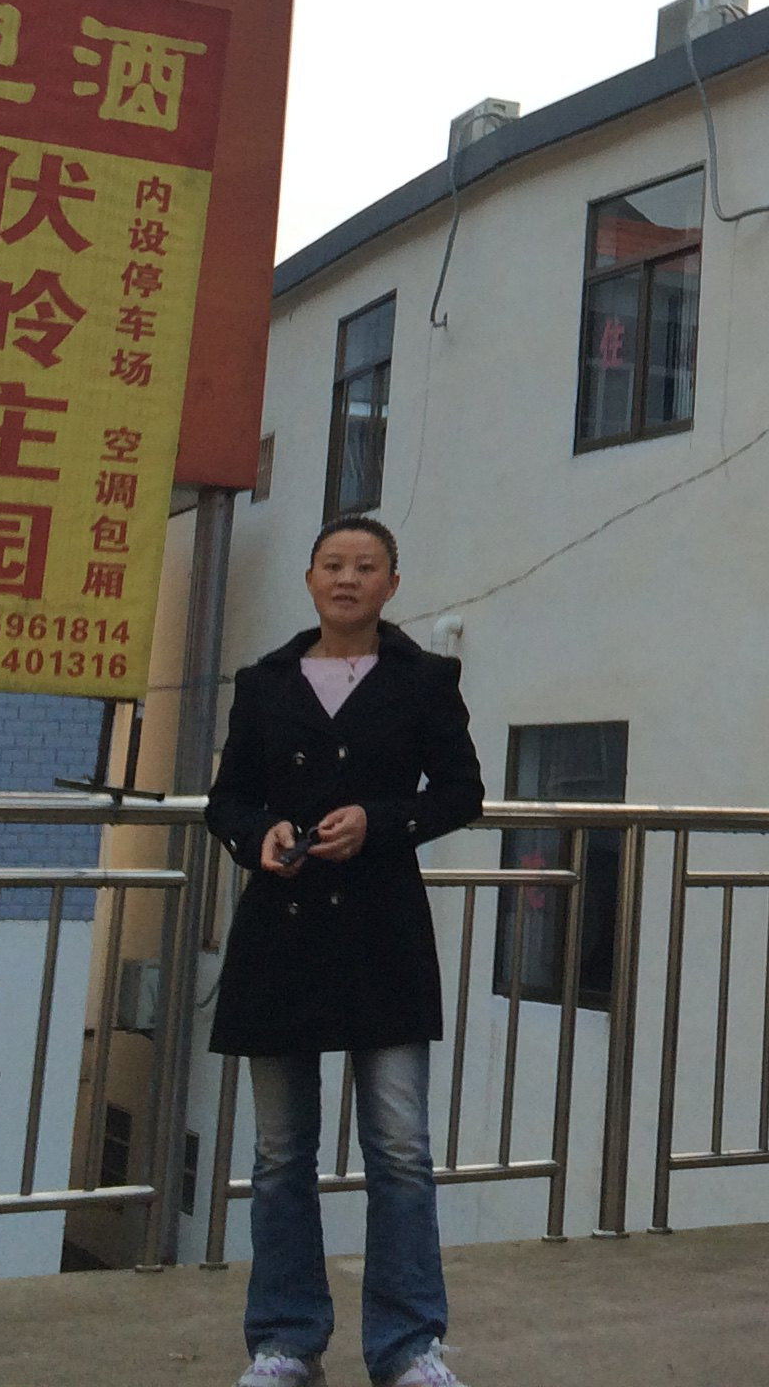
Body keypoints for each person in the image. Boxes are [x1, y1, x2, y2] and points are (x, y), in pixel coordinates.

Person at [206, 512, 484, 1387]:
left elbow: (463, 792)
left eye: (366, 566)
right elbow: (226, 801)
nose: (347, 579)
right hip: (281, 936)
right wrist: (260, 834)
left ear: (392, 585)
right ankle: (286, 1342)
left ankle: (409, 1346)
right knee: (281, 1155)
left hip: (382, 933)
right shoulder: (265, 682)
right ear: (310, 580)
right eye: (333, 564)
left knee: (399, 1148)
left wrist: (381, 822)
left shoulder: (424, 679)